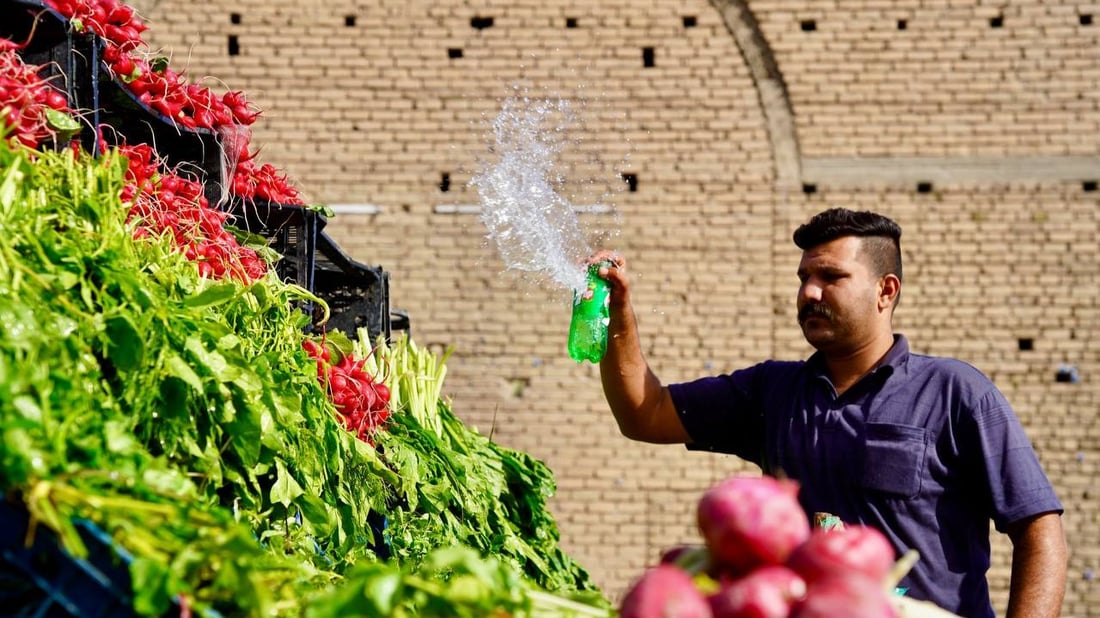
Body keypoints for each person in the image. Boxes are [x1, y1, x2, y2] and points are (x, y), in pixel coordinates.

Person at [591, 208, 1067, 618]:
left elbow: (1039, 530)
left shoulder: (953, 391)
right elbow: (645, 413)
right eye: (804, 278)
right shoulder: (772, 392)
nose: (809, 293)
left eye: (831, 277)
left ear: (885, 291)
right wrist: (618, 313)